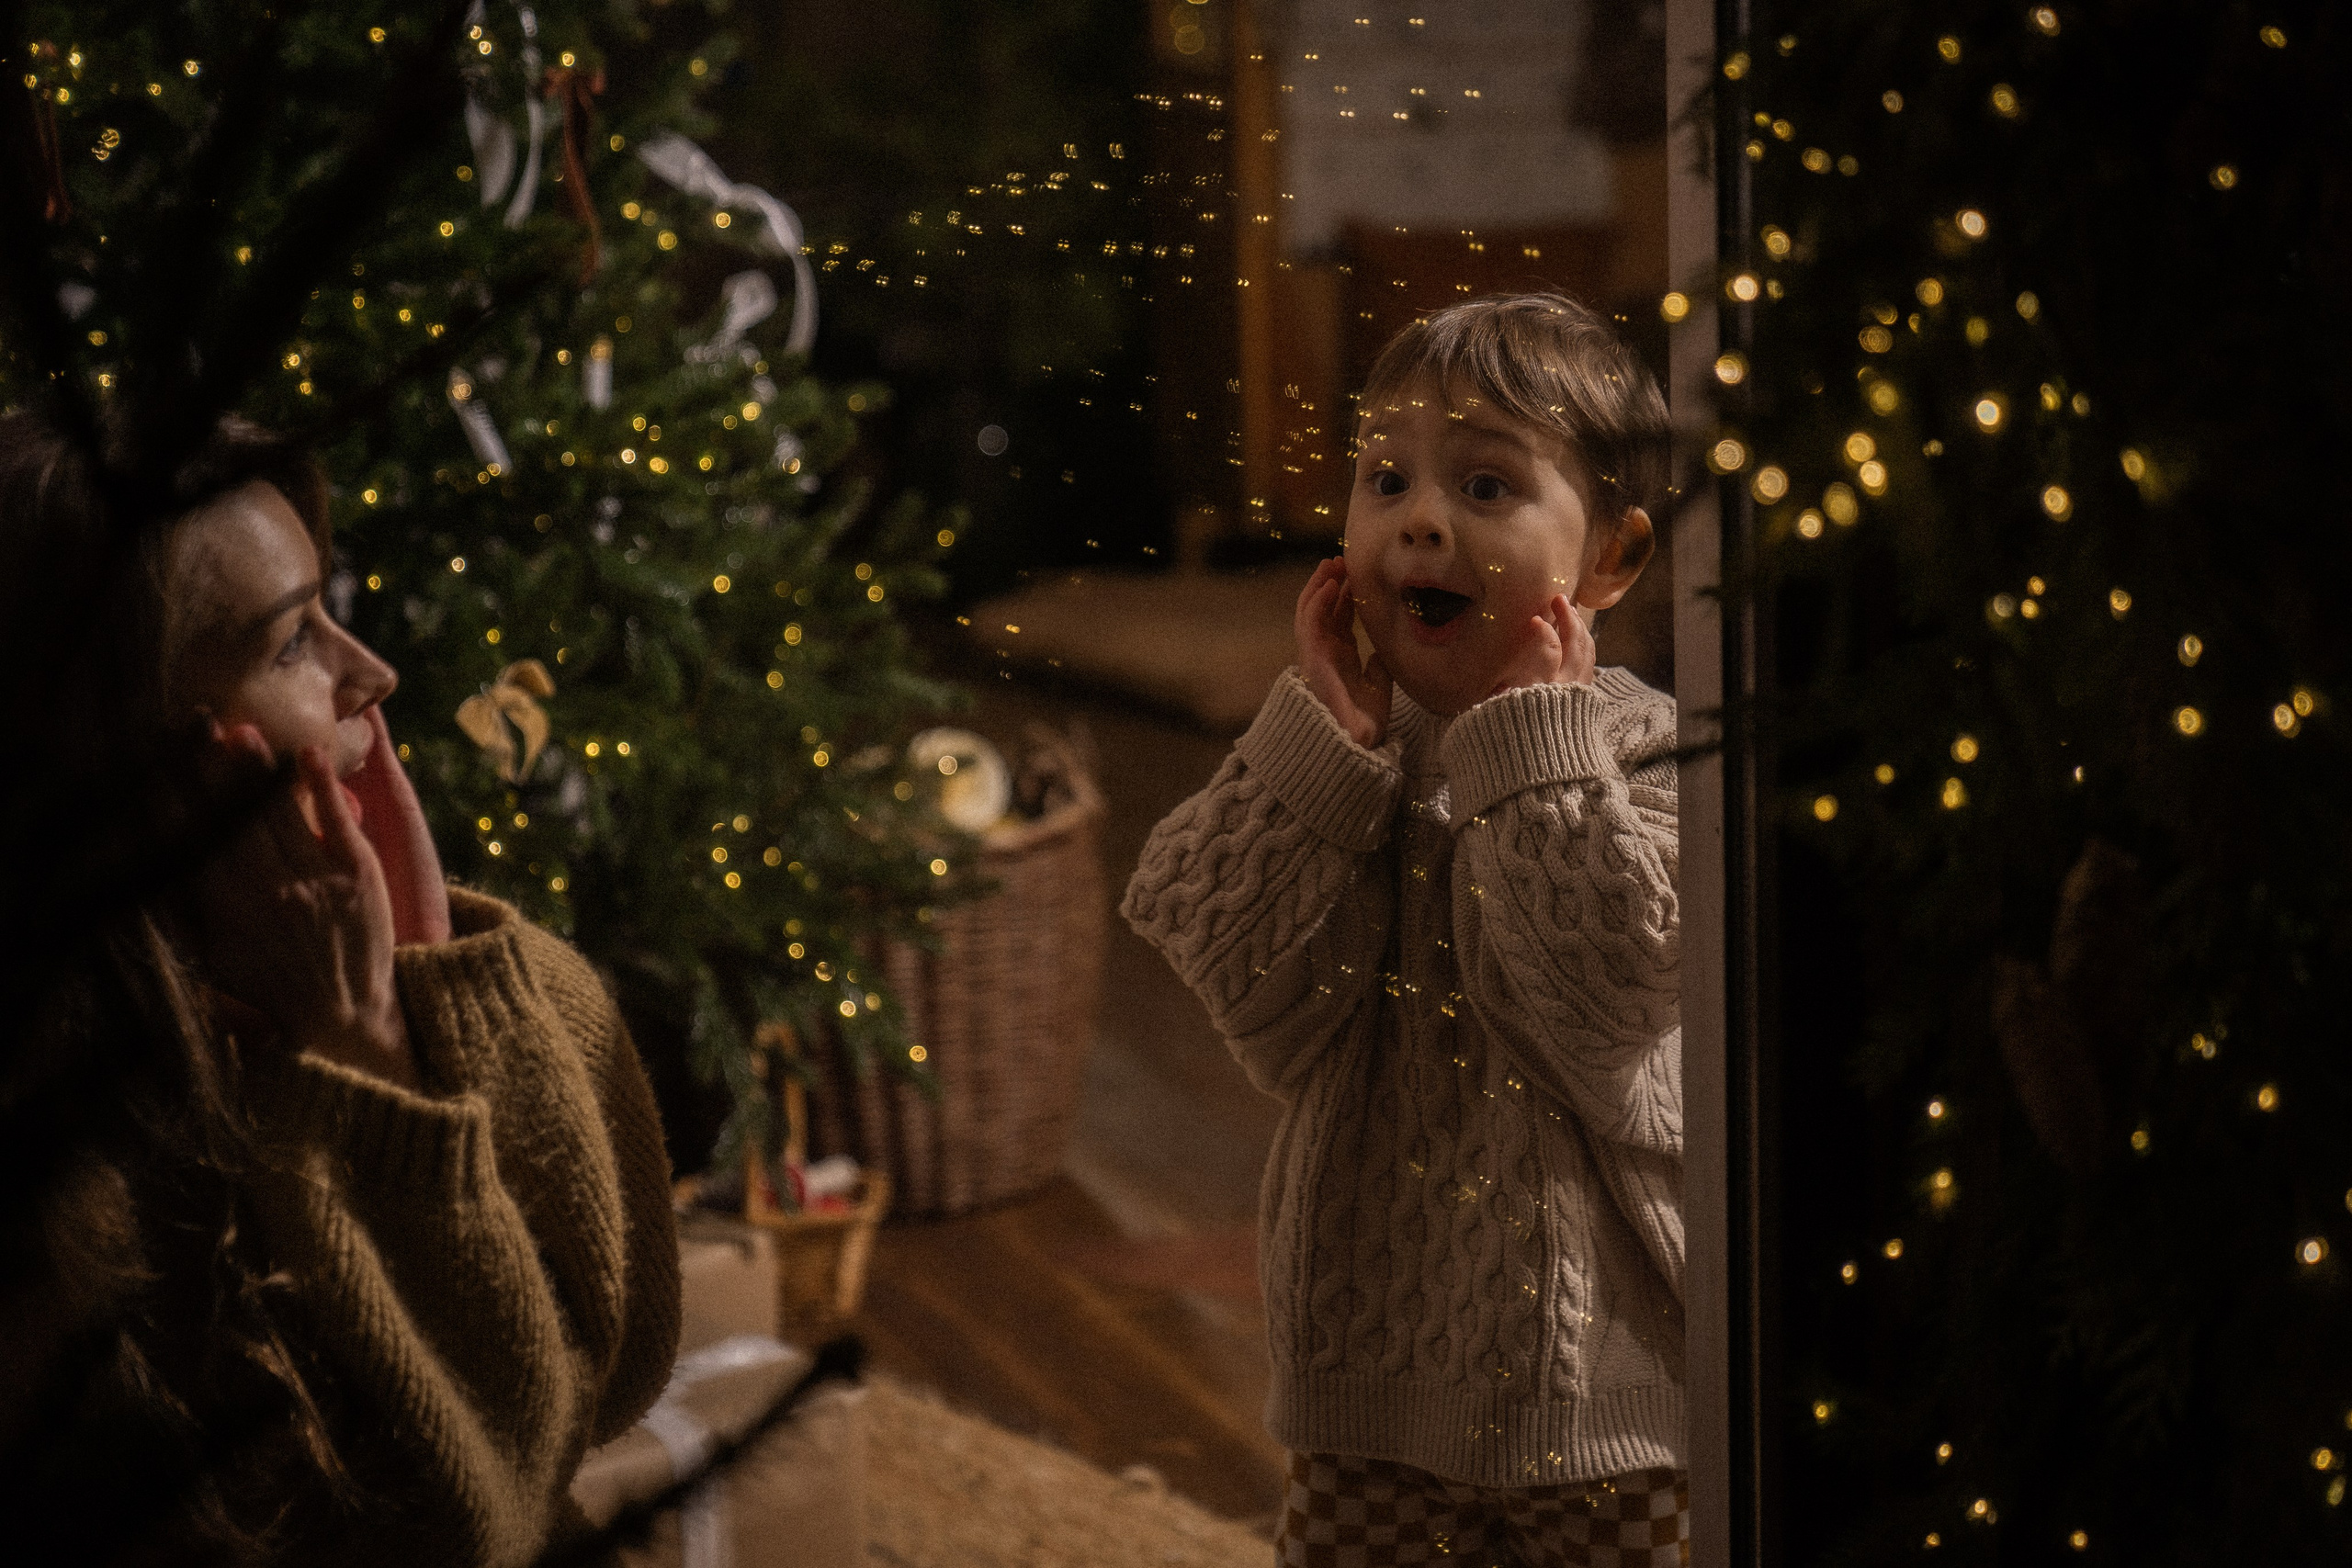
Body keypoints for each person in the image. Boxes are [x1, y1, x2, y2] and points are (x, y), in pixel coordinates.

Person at [0, 414, 680, 1566]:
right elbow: (461, 1525)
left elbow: (615, 1371)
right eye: (285, 648)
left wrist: (434, 989)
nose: (372, 672)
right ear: (120, 766)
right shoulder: (80, 1178)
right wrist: (360, 1066)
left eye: (333, 607)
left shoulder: (396, 971)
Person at [1123, 295, 1685, 1567]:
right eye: (1387, 479)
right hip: (1366, 1390)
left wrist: (1533, 744)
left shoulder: (1644, 753)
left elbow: (1599, 1000)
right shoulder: (1343, 760)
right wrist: (1323, 746)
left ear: (1612, 558)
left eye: (1486, 483)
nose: (1422, 518)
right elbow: (1235, 971)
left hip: (1612, 1409)